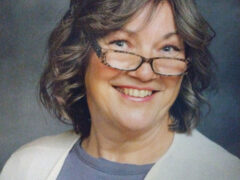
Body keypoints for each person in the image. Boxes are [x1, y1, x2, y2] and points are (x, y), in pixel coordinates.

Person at [1, 0, 240, 179]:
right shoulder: (25, 167)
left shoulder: (224, 173)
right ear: (80, 53)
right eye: (121, 43)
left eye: (168, 48)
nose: (145, 73)